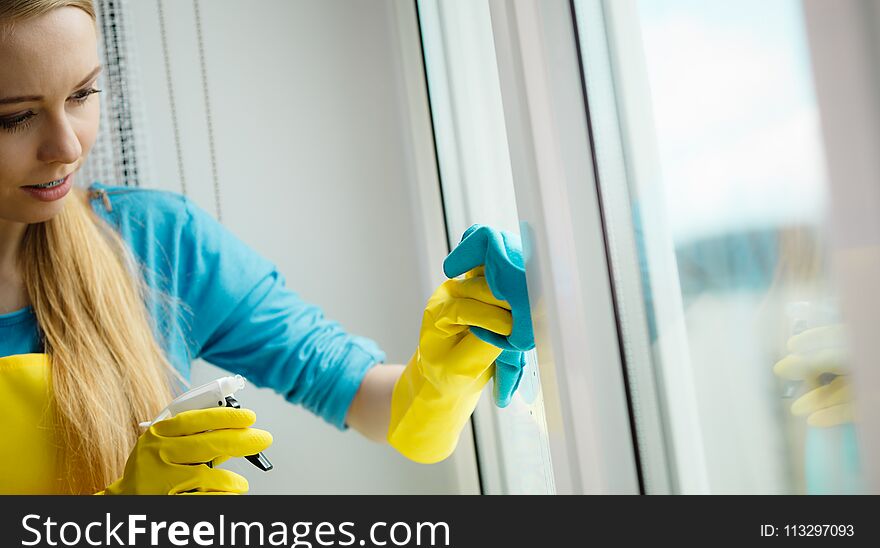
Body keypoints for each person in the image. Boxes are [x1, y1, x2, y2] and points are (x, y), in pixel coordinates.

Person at [0, 1, 530, 494]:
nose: (67, 147)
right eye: (14, 117)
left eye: (82, 94)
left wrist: (444, 369)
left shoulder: (159, 241)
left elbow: (370, 397)